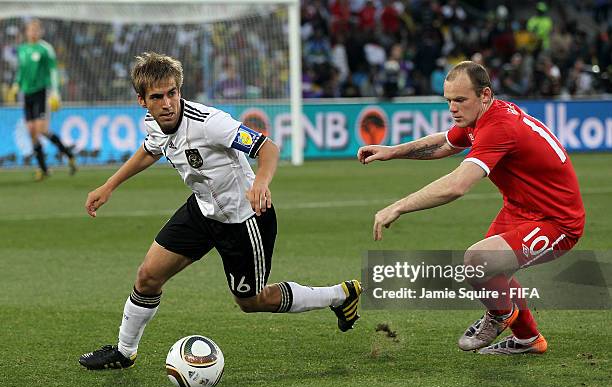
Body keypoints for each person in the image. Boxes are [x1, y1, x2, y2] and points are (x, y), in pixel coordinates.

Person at [79, 52, 361, 370]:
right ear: (142, 101)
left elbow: (267, 147)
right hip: (202, 210)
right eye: (158, 97)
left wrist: (262, 183)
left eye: (172, 93)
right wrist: (110, 185)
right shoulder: (154, 122)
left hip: (245, 218)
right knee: (147, 277)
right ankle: (124, 351)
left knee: (252, 301)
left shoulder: (211, 124)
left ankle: (340, 295)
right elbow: (150, 149)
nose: (168, 103)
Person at [357, 61, 584, 355]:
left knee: (479, 262)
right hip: (520, 209)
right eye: (449, 100)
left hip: (557, 222)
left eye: (460, 100)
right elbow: (444, 143)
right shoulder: (482, 117)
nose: (453, 108)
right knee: (491, 271)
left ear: (485, 95)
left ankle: (500, 315)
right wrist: (393, 152)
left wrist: (399, 206)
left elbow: (457, 185)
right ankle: (528, 340)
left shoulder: (499, 127)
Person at [13, 19, 76, 180]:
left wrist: (55, 92)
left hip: (42, 92)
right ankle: (44, 169)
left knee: (41, 129)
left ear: (40, 32)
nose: (33, 32)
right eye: (30, 29)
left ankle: (68, 154)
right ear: (26, 32)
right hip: (27, 94)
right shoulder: (22, 49)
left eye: (36, 29)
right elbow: (21, 70)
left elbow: (53, 70)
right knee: (31, 131)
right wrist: (15, 84)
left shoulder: (45, 49)